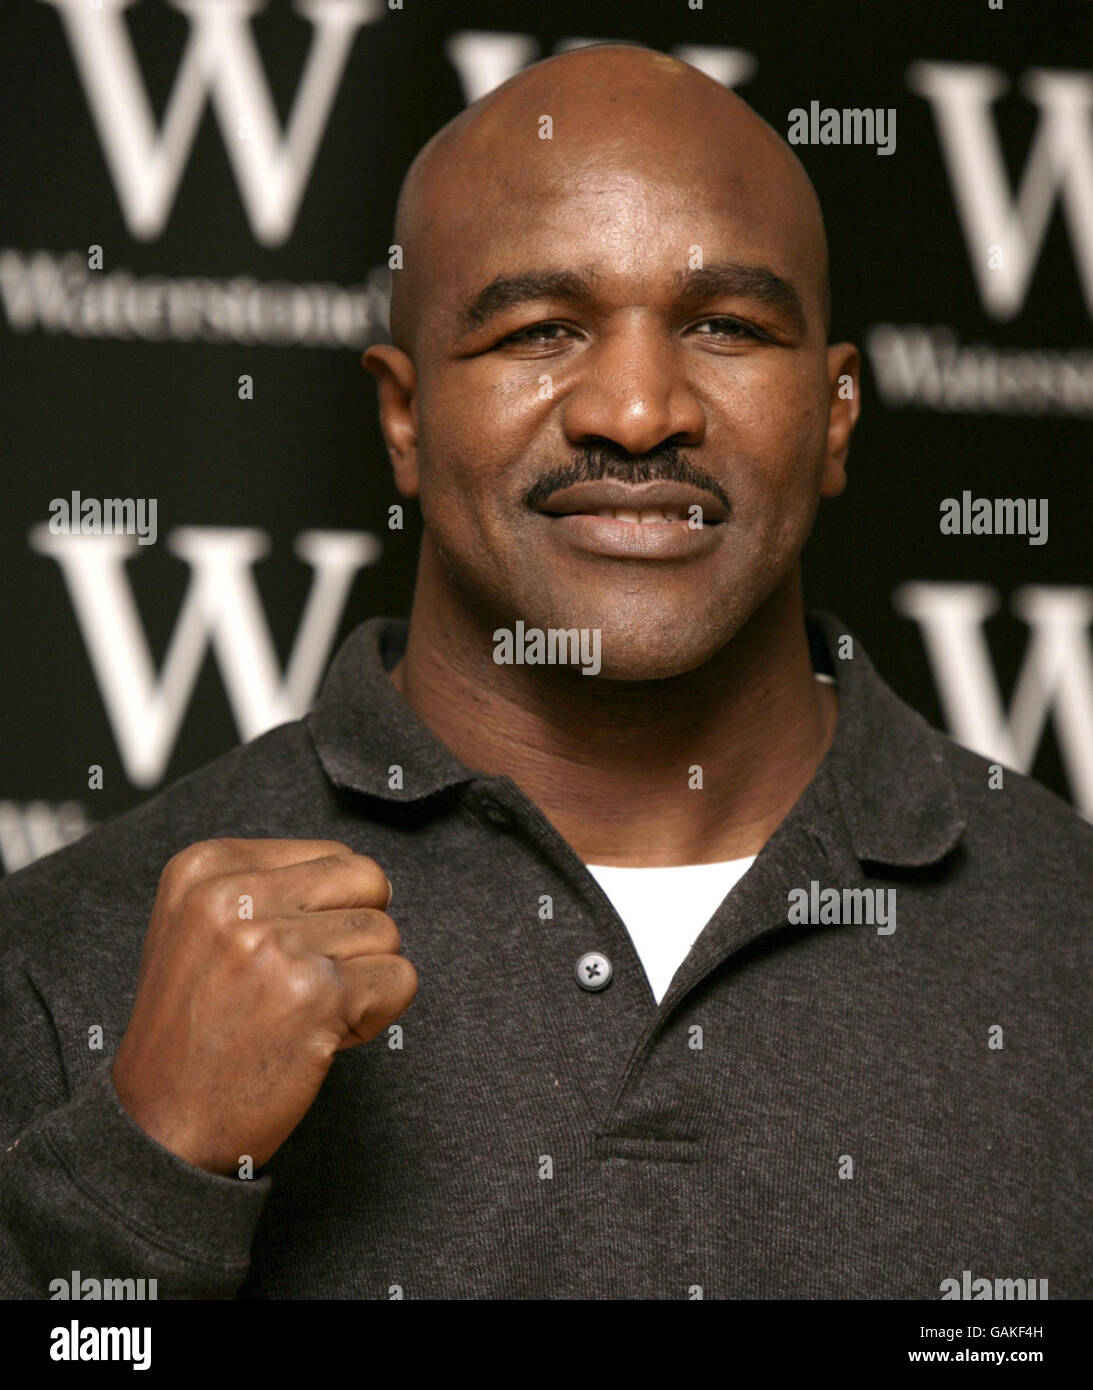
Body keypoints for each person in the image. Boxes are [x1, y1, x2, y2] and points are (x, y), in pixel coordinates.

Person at [0, 43, 1088, 1301]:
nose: (634, 413)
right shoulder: (72, 955)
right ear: (403, 420)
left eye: (727, 326)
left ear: (835, 414)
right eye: (540, 329)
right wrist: (150, 1174)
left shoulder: (1069, 933)